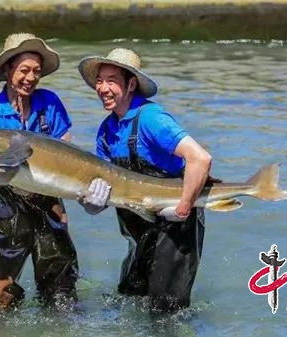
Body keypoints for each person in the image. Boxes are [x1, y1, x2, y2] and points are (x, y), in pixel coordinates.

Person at [76, 48, 213, 311]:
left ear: (130, 84)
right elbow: (106, 188)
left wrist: (183, 208)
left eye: (111, 80)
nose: (102, 88)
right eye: (99, 80)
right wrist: (92, 204)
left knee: (165, 312)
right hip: (138, 233)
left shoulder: (151, 118)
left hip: (175, 228)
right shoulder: (106, 130)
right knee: (129, 298)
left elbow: (200, 159)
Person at [0, 33, 78, 310]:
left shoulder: (50, 103)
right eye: (24, 70)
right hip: (4, 206)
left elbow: (67, 149)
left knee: (60, 287)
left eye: (37, 72)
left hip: (48, 199)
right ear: (7, 70)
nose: (31, 78)